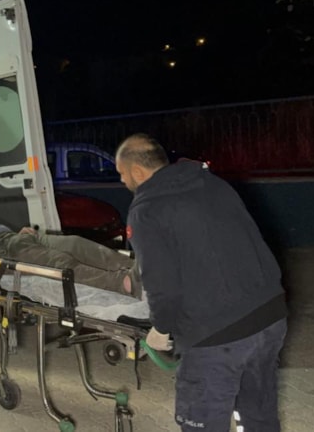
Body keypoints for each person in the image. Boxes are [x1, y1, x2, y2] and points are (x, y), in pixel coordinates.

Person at [115, 133, 287, 432]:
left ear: (138, 172)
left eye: (122, 173)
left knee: (202, 424)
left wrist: (161, 328)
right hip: (269, 317)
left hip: (216, 336)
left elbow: (162, 285)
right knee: (259, 416)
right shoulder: (212, 183)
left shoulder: (147, 209)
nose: (121, 180)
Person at [0, 208, 140, 298]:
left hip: (15, 238)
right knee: (59, 262)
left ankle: (137, 268)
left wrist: (17, 234)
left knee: (75, 244)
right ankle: (122, 283)